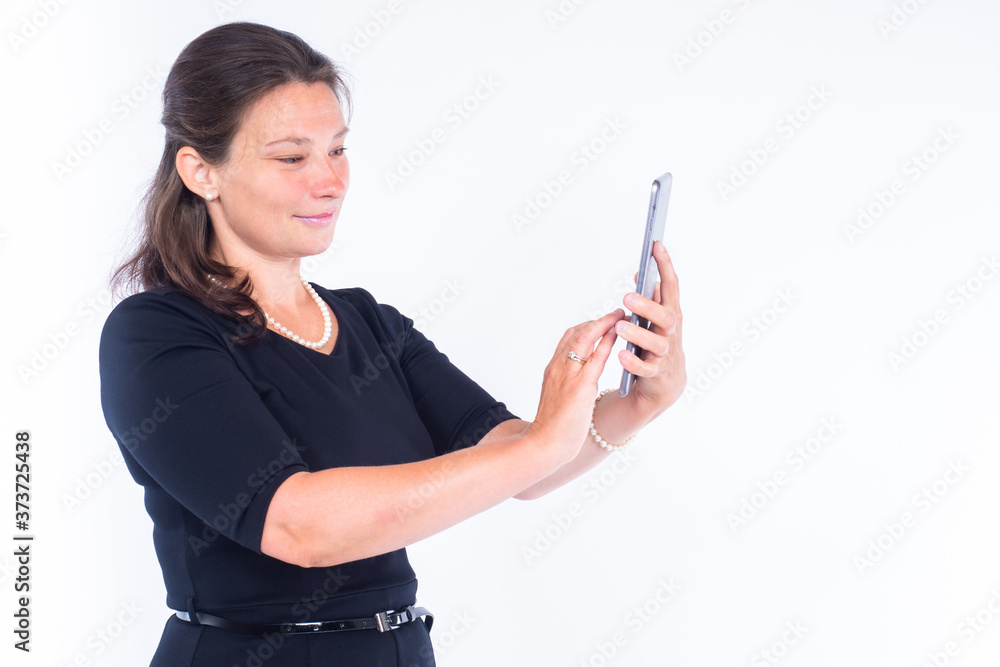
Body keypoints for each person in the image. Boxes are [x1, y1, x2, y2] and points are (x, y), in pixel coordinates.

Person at [98, 21, 686, 667]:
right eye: (292, 157)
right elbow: (300, 525)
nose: (329, 181)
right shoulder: (156, 335)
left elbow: (511, 458)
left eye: (337, 150)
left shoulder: (369, 323)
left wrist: (638, 403)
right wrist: (543, 442)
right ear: (200, 170)